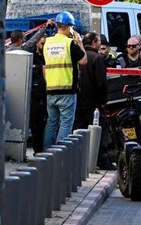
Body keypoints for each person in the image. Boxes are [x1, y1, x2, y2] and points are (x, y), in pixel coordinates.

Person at [43, 11, 87, 150]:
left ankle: (46, 154)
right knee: (65, 124)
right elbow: (84, 60)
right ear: (69, 27)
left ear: (57, 25)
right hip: (67, 90)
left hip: (51, 89)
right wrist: (80, 42)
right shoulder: (70, 43)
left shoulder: (47, 43)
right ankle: (59, 154)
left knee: (51, 123)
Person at [75, 32, 112, 168]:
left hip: (78, 101)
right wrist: (103, 100)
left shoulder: (78, 56)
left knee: (79, 132)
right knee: (99, 131)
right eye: (98, 42)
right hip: (94, 103)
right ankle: (101, 160)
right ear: (94, 43)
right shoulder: (97, 58)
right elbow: (101, 82)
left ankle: (80, 160)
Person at [29, 36, 48, 154]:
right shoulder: (32, 58)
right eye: (42, 43)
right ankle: (38, 150)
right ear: (37, 43)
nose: (44, 46)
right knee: (36, 125)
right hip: (36, 95)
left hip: (47, 94)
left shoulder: (49, 57)